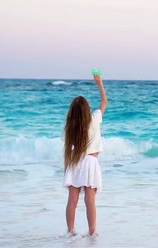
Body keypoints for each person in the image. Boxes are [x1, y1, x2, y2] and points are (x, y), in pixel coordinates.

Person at [62, 73, 107, 237]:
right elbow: (104, 102)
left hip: (75, 162)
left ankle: (71, 231)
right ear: (87, 110)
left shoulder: (71, 127)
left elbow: (67, 151)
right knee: (90, 201)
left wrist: (66, 169)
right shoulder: (95, 119)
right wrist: (99, 84)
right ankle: (92, 231)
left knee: (72, 200)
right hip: (90, 162)